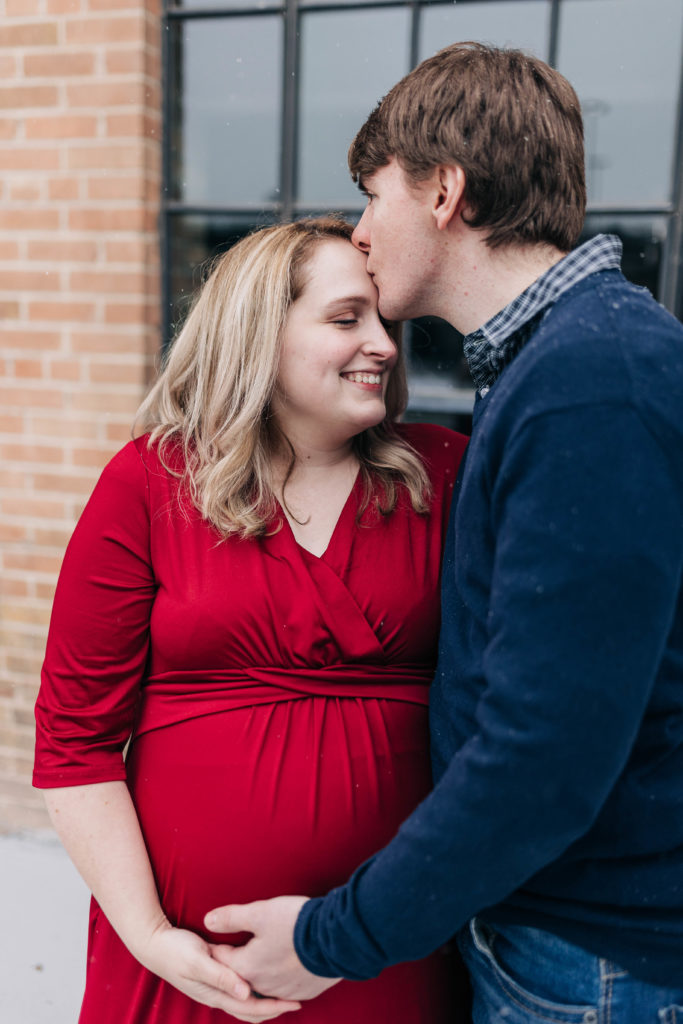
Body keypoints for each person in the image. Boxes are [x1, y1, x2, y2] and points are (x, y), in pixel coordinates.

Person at [204, 43, 683, 1024]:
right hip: (561, 943)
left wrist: (330, 938)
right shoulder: (559, 365)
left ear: (444, 191)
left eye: (373, 193)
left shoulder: (587, 382)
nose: (360, 229)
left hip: (588, 964)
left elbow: (541, 757)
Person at [32, 216, 469, 1024]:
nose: (382, 344)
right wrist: (152, 937)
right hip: (188, 961)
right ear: (256, 333)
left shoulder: (446, 476)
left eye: (383, 321)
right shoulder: (151, 483)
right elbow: (74, 743)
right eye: (346, 319)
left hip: (388, 953)